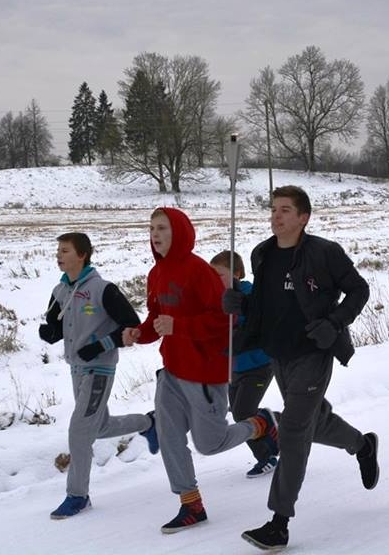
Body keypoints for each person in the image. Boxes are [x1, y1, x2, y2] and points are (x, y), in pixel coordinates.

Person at [222, 185, 378, 551]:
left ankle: (279, 523)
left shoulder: (325, 253)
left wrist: (335, 322)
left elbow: (359, 290)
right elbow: (261, 305)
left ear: (303, 217)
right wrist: (239, 306)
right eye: (274, 209)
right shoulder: (262, 254)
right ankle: (362, 445)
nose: (276, 216)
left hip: (313, 351)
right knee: (312, 420)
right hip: (279, 354)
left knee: (293, 429)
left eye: (285, 210)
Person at [122, 208, 278, 534]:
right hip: (171, 370)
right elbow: (156, 318)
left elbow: (226, 319)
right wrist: (140, 332)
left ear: (178, 231)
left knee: (210, 443)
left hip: (204, 371)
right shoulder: (157, 273)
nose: (155, 233)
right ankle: (191, 504)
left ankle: (261, 424)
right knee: (169, 437)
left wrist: (178, 325)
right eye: (152, 228)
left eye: (162, 227)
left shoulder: (198, 271)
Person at [38, 232, 159, 520]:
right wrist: (50, 333)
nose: (59, 255)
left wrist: (101, 345)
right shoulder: (59, 291)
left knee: (80, 431)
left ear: (82, 255)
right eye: (58, 250)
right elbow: (58, 327)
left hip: (99, 369)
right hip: (76, 368)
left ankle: (77, 496)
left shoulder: (103, 289)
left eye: (65, 250)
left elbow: (132, 326)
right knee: (98, 426)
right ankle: (150, 423)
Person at [210, 250, 280, 479]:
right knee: (241, 414)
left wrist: (236, 324)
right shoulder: (216, 301)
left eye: (220, 274)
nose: (215, 279)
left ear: (237, 273)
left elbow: (255, 325)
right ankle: (270, 424)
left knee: (242, 413)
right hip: (234, 369)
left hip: (259, 365)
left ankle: (267, 456)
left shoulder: (250, 295)